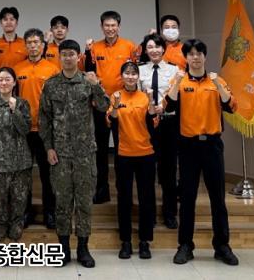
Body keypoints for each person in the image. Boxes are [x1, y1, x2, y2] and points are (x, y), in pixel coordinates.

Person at [165, 39, 239, 266]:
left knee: (218, 198)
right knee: (187, 198)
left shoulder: (217, 81)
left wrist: (217, 85)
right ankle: (185, 245)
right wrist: (177, 82)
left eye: (199, 54)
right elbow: (168, 106)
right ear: (186, 58)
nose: (195, 57)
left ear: (205, 57)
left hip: (212, 146)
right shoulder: (179, 81)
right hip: (188, 146)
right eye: (191, 54)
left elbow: (231, 106)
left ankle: (222, 246)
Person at [40, 40, 110, 268]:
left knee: (84, 202)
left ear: (78, 57)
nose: (68, 58)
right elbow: (44, 119)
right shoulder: (51, 85)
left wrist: (96, 85)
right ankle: (63, 248)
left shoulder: (88, 82)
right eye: (64, 54)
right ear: (59, 57)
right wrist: (49, 147)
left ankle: (83, 248)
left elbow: (104, 106)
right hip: (60, 154)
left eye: (72, 54)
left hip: (84, 153)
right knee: (62, 201)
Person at [85, 10, 136, 204]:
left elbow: (135, 74)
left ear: (119, 27)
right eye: (106, 25)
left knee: (123, 149)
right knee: (100, 150)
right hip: (100, 105)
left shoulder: (129, 46)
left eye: (113, 25)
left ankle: (123, 190)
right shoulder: (94, 48)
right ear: (101, 27)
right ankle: (102, 189)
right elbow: (87, 72)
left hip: (122, 105)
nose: (110, 28)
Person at [109, 61, 158, 260]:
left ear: (138, 77)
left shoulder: (145, 97)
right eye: (127, 73)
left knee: (147, 199)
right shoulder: (116, 96)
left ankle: (145, 241)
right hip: (124, 155)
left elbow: (153, 123)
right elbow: (111, 121)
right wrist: (115, 106)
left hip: (145, 153)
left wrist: (152, 102)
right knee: (124, 199)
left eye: (133, 73)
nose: (130, 77)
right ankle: (126, 241)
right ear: (122, 77)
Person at [0, 67, 32, 243]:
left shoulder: (22, 104)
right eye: (0, 79)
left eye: (8, 79)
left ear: (14, 82)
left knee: (19, 205)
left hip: (20, 165)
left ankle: (15, 240)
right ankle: (0, 242)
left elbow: (25, 130)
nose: (4, 83)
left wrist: (15, 111)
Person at [13, 28, 59, 229]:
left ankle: (50, 213)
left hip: (44, 130)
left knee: (47, 175)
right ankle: (26, 212)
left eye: (36, 42)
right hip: (22, 130)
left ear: (43, 45)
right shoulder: (17, 69)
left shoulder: (52, 69)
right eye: (29, 42)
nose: (33, 46)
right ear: (25, 45)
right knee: (23, 175)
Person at [138, 33, 179, 230]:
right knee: (147, 170)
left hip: (168, 123)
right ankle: (149, 213)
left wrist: (165, 107)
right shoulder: (139, 70)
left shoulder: (174, 70)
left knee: (168, 169)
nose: (154, 50)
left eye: (157, 46)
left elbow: (177, 96)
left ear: (163, 48)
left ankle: (170, 213)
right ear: (145, 50)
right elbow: (137, 97)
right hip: (146, 124)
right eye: (150, 47)